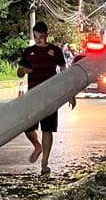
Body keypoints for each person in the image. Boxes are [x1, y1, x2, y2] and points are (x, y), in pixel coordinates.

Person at [17, 21, 73, 175]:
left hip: (50, 96)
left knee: (48, 129)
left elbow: (64, 73)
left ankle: (44, 163)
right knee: (27, 126)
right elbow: (19, 72)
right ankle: (37, 145)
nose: (38, 40)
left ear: (46, 35)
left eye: (41, 37)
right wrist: (23, 71)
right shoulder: (29, 52)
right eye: (35, 37)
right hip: (33, 95)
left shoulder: (55, 51)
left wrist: (70, 93)